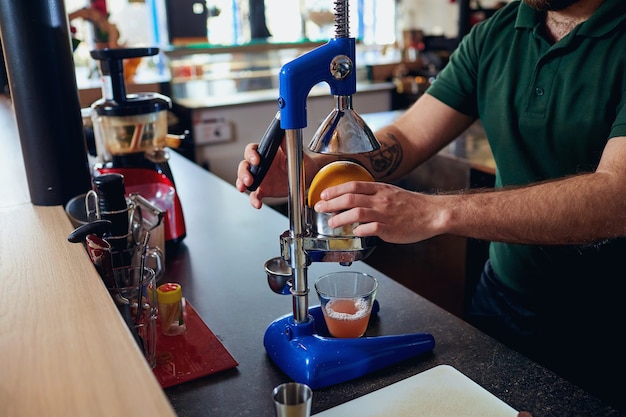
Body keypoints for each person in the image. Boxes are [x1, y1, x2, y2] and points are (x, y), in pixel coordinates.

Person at [237, 0, 626, 411]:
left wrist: (435, 212)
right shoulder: (498, 31)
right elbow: (406, 139)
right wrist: (310, 168)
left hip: (605, 320)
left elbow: (615, 198)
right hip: (502, 299)